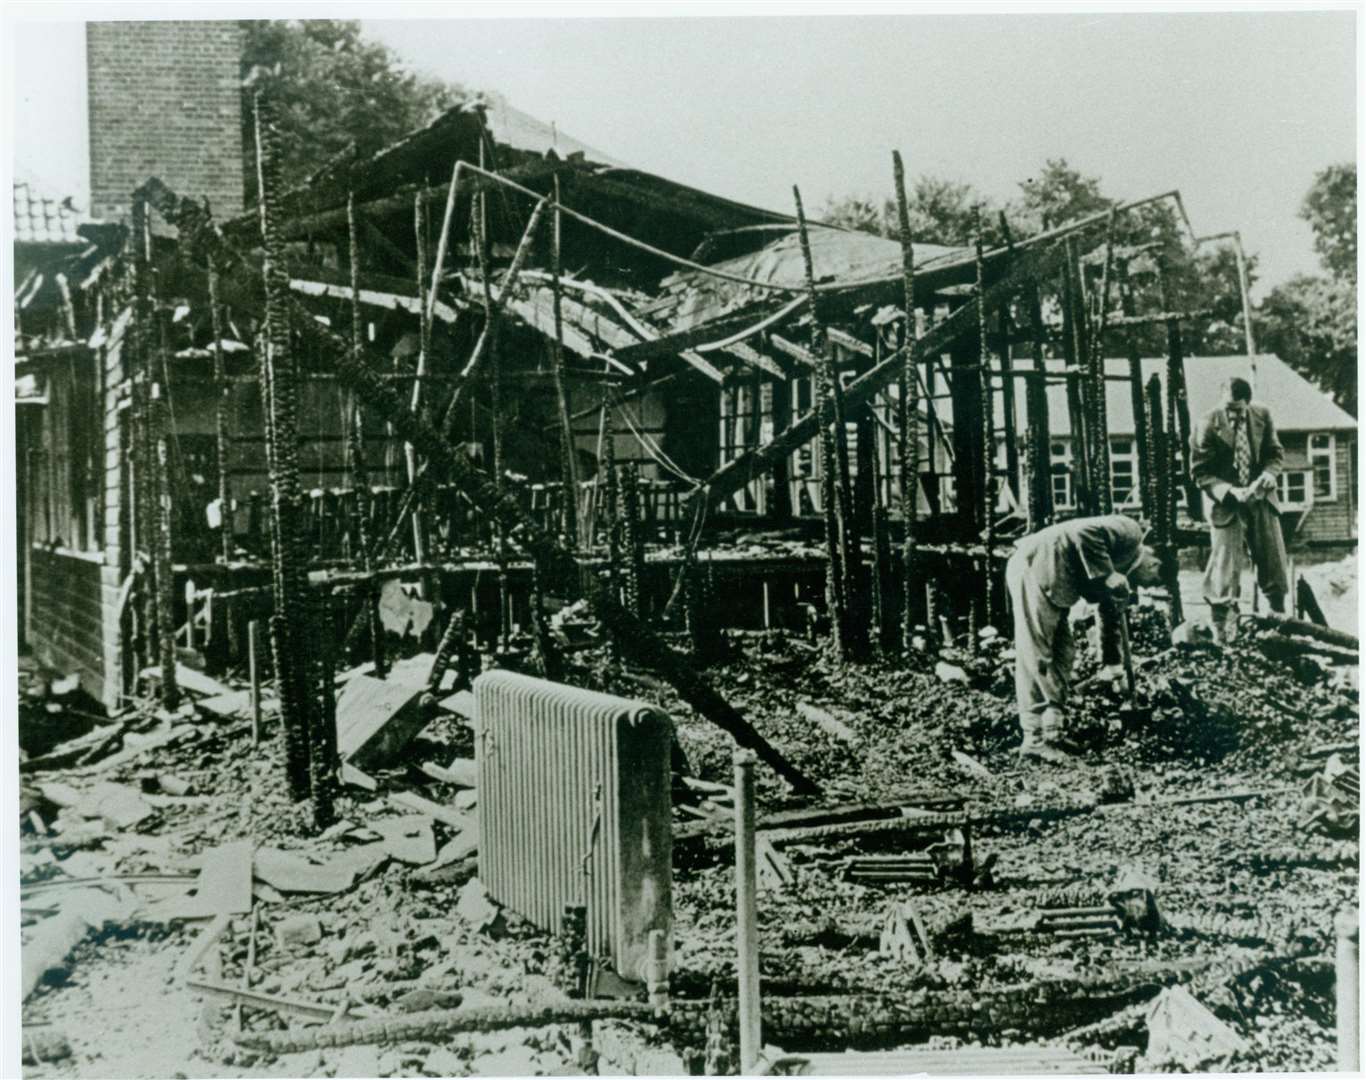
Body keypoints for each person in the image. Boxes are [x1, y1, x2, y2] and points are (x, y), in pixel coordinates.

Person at [1005, 514, 1163, 763]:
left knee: (1064, 652)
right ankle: (1033, 739)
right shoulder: (1129, 533)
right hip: (1034, 568)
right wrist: (1108, 573)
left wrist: (1114, 666)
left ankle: (1051, 733)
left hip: (1054, 584)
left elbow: (1109, 613)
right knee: (1037, 656)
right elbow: (1084, 532)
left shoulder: (1121, 569)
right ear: (1153, 563)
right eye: (1150, 582)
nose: (1143, 587)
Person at [1190, 376, 1289, 641]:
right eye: (1228, 409)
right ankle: (1223, 631)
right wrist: (1228, 491)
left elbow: (1275, 453)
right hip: (1227, 504)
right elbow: (1200, 472)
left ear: (1248, 403)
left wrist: (1270, 474)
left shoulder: (1262, 415)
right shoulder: (1207, 424)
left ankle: (1277, 625)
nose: (1232, 414)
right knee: (1225, 568)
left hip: (1260, 498)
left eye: (1238, 410)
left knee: (1273, 561)